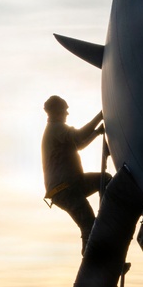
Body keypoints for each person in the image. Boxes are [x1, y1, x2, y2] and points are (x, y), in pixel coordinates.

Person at [42, 95, 109, 253]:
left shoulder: (57, 131)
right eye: (65, 110)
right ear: (56, 112)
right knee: (88, 224)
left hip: (72, 184)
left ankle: (106, 219)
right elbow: (79, 136)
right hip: (64, 190)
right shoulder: (56, 129)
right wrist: (100, 116)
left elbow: (78, 144)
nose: (67, 114)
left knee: (105, 180)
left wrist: (96, 133)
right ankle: (91, 260)